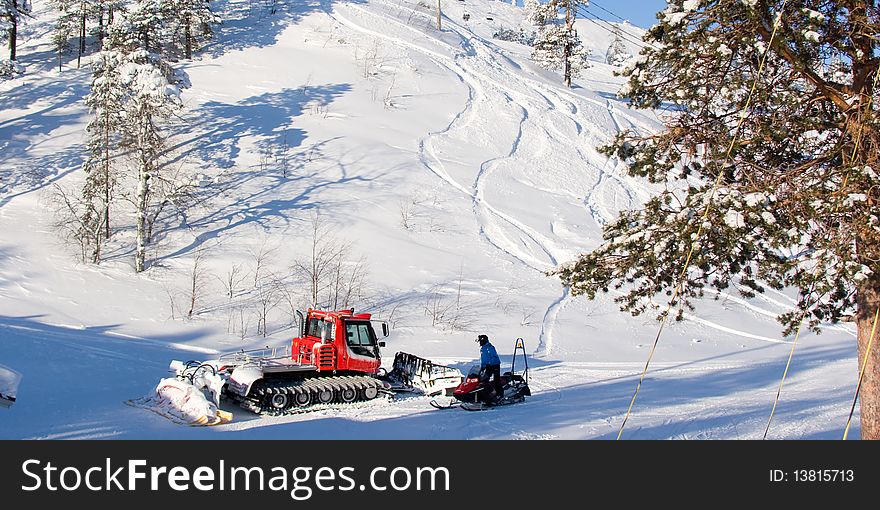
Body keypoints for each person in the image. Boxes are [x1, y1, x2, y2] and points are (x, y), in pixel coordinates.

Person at [476, 334, 504, 403]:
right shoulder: (483, 349)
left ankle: (500, 395)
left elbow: (494, 356)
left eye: (480, 341)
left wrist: (490, 364)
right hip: (488, 366)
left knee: (496, 380)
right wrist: (482, 367)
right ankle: (487, 394)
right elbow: (483, 359)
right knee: (484, 380)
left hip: (495, 365)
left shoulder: (490, 347)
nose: (480, 343)